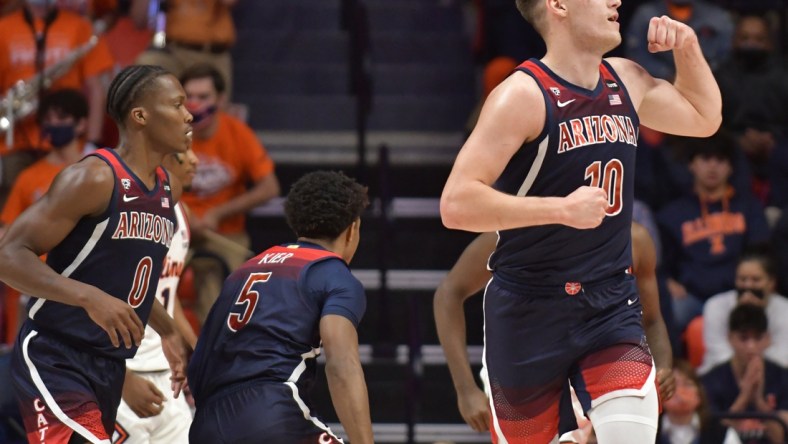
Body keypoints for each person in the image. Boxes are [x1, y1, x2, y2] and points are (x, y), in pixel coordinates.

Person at [439, 0, 722, 441]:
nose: (616, 1)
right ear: (558, 6)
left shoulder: (626, 78)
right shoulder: (522, 94)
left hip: (609, 304)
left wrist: (686, 48)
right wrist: (560, 209)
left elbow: (705, 119)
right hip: (528, 310)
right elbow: (456, 203)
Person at [0, 64, 191, 443]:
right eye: (178, 105)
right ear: (141, 116)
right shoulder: (94, 177)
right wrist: (88, 298)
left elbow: (123, 283)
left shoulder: (166, 190)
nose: (189, 115)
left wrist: (168, 331)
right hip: (55, 354)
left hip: (109, 365)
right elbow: (8, 255)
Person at [434, 223, 676, 441]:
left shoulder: (634, 238)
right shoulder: (512, 234)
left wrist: (663, 365)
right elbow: (448, 293)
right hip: (524, 357)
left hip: (599, 346)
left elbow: (652, 319)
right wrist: (465, 388)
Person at [188, 170, 372, 444]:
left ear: (297, 225)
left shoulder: (243, 271)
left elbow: (201, 360)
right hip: (271, 413)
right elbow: (342, 365)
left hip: (207, 424)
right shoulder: (333, 274)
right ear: (353, 229)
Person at [178, 63, 280, 322]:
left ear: (221, 100)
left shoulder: (237, 133)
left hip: (225, 234)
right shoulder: (170, 133)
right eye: (189, 97)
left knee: (228, 291)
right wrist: (183, 216)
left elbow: (270, 187)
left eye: (203, 97)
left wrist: (218, 213)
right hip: (174, 231)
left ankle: (216, 352)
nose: (195, 104)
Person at [114, 148, 199, 444]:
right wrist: (118, 378)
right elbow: (100, 288)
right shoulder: (126, 207)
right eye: (183, 152)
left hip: (165, 372)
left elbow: (166, 291)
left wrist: (195, 348)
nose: (194, 160)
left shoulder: (181, 213)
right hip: (124, 368)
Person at [0, 88, 90, 344]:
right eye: (48, 119)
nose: (53, 124)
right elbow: (6, 231)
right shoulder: (28, 177)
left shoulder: (99, 170)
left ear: (81, 123)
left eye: (61, 118)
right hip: (35, 277)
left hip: (84, 273)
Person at [657, 132, 769, 334]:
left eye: (720, 160)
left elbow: (759, 253)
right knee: (669, 311)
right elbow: (661, 264)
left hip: (738, 294)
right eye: (706, 159)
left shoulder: (749, 207)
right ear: (692, 164)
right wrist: (668, 281)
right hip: (692, 296)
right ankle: (675, 366)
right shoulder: (672, 215)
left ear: (731, 167)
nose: (713, 167)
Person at [714, 14, 788, 208]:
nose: (751, 44)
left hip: (778, 144)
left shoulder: (783, 75)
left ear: (770, 43)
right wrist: (737, 139)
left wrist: (773, 139)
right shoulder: (719, 77)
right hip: (732, 144)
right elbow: (709, 123)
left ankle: (779, 218)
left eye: (759, 39)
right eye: (745, 38)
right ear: (734, 41)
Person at [701, 304, 788, 444]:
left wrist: (759, 401)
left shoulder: (783, 378)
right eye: (744, 338)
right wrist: (744, 397)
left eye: (758, 338)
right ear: (730, 338)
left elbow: (781, 438)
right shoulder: (710, 381)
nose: (751, 347)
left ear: (767, 339)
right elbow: (711, 437)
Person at [700, 248, 788, 374]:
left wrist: (758, 312)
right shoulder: (716, 306)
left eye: (756, 280)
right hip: (721, 375)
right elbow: (718, 352)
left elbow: (782, 357)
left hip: (771, 378)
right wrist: (740, 313)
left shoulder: (785, 309)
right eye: (742, 279)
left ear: (771, 282)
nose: (748, 286)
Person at [130, 0, 238, 98]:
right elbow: (138, 21)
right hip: (173, 52)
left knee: (215, 111)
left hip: (213, 54)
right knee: (147, 64)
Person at [625, 0, 734, 80]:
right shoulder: (646, 15)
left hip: (705, 77)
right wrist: (665, 74)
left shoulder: (717, 17)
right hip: (656, 80)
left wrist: (701, 71)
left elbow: (724, 53)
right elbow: (636, 53)